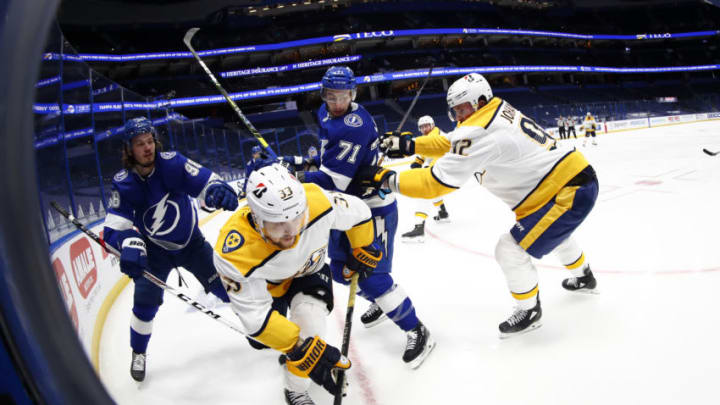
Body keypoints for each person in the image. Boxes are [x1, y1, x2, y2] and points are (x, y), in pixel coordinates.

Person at [360, 72, 599, 338]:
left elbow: (435, 183)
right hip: (566, 184)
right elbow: (452, 142)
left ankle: (529, 310)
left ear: (479, 101)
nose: (458, 115)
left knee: (509, 249)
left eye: (462, 109)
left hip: (566, 191)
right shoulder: (491, 113)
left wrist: (387, 180)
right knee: (553, 234)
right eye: (455, 111)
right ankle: (584, 276)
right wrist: (410, 144)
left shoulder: (479, 130)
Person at [296, 66, 435, 368]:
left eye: (342, 96)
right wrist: (306, 164)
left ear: (352, 94)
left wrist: (297, 175)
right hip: (345, 208)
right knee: (338, 269)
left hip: (372, 209)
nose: (335, 102)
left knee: (372, 275)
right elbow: (329, 160)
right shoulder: (325, 113)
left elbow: (334, 181)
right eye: (330, 96)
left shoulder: (353, 126)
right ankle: (382, 302)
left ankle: (416, 329)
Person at [213, 163, 379, 404]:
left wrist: (362, 245)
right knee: (266, 342)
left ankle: (295, 390)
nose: (291, 231)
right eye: (278, 223)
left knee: (310, 328)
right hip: (268, 289)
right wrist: (297, 347)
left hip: (308, 272)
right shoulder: (233, 252)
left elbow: (359, 211)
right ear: (256, 218)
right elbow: (256, 318)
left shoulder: (316, 201)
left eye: (296, 217)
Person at [103, 117, 236, 382]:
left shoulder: (172, 162)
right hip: (155, 254)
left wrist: (218, 191)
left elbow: (208, 181)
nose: (147, 148)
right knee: (144, 303)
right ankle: (138, 352)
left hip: (192, 245)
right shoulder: (124, 183)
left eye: (150, 141)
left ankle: (261, 329)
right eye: (140, 144)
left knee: (228, 288)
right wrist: (129, 243)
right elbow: (113, 229)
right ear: (129, 150)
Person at [400, 115, 451, 243]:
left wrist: (427, 168)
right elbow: (426, 150)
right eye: (422, 127)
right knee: (432, 191)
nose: (424, 129)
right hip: (447, 169)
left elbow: (435, 151)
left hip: (445, 167)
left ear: (432, 125)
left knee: (424, 191)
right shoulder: (430, 136)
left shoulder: (435, 135)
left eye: (426, 126)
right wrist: (418, 161)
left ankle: (419, 229)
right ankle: (443, 213)